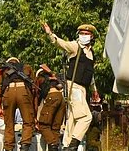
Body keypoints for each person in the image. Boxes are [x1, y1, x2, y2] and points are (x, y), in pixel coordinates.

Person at [43, 22, 100, 151]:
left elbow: (90, 75)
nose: (83, 36)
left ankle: (66, 145)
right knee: (86, 117)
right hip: (74, 86)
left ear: (91, 36)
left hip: (83, 89)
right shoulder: (75, 47)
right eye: (81, 34)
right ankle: (73, 145)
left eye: (86, 34)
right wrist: (50, 34)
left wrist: (94, 90)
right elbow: (61, 43)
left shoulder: (91, 53)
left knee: (72, 120)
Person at [0, 57, 36, 151]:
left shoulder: (3, 69)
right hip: (23, 92)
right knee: (28, 121)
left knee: (9, 123)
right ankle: (25, 145)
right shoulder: (27, 67)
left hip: (8, 92)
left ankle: (8, 147)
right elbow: (34, 86)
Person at [35, 65, 67, 151]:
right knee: (55, 128)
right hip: (61, 98)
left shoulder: (40, 79)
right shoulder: (55, 78)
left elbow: (37, 96)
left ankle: (52, 145)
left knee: (43, 125)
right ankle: (54, 146)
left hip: (52, 97)